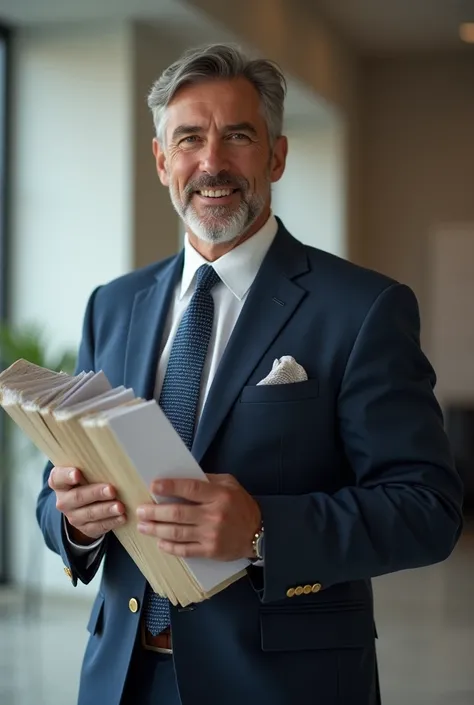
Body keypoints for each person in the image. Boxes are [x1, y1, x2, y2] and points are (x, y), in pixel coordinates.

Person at [37, 43, 463, 705]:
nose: (212, 163)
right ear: (161, 161)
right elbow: (54, 490)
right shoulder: (112, 304)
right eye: (189, 140)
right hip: (122, 680)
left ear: (277, 155)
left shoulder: (361, 308)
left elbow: (428, 508)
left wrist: (264, 530)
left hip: (283, 685)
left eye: (237, 136)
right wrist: (75, 520)